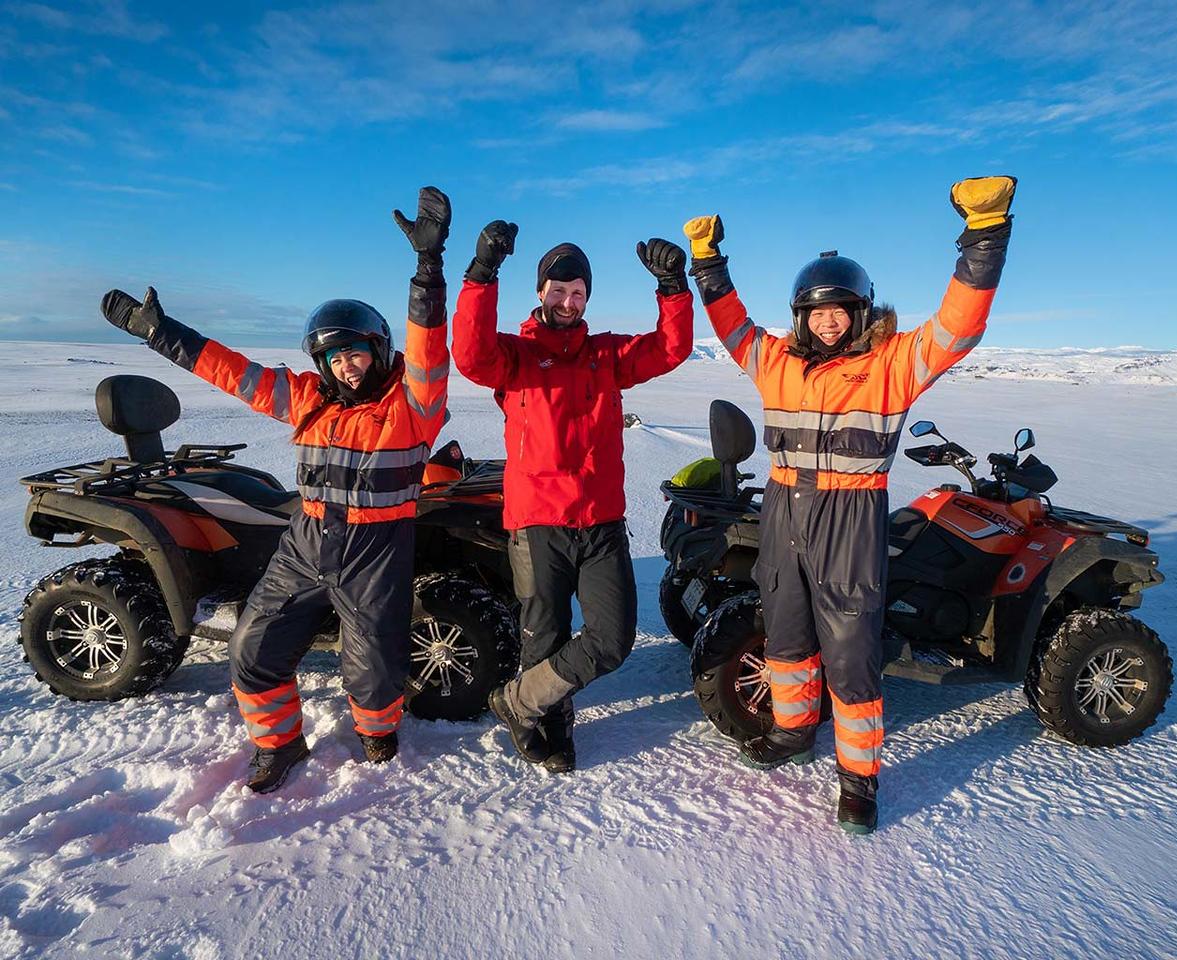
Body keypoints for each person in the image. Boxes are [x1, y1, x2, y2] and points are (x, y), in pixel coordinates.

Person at [683, 176, 1017, 833]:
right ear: (800, 316)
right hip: (785, 512)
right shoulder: (775, 360)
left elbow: (959, 326)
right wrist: (707, 263)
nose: (826, 320)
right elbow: (730, 324)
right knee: (785, 635)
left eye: (838, 309)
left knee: (851, 653)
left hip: (851, 517)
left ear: (859, 312)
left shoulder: (893, 362)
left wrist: (984, 238)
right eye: (814, 311)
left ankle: (858, 780)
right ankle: (792, 730)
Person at [99, 186, 453, 793]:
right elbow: (232, 371)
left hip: (376, 547)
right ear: (322, 362)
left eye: (357, 353)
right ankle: (278, 746)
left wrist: (428, 272)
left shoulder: (413, 404)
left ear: (379, 350)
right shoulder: (307, 399)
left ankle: (377, 734)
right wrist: (162, 334)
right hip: (308, 540)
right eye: (335, 356)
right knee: (253, 647)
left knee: (373, 667)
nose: (347, 365)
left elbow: (428, 352)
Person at [452, 225, 693, 773]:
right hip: (538, 522)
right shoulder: (512, 357)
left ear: (587, 297)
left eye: (578, 291)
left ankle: (518, 702)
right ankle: (550, 722)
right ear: (540, 292)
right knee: (545, 635)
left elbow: (670, 349)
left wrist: (674, 288)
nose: (567, 300)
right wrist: (481, 273)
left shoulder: (606, 354)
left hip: (602, 519)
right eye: (558, 290)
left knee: (612, 638)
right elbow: (468, 353)